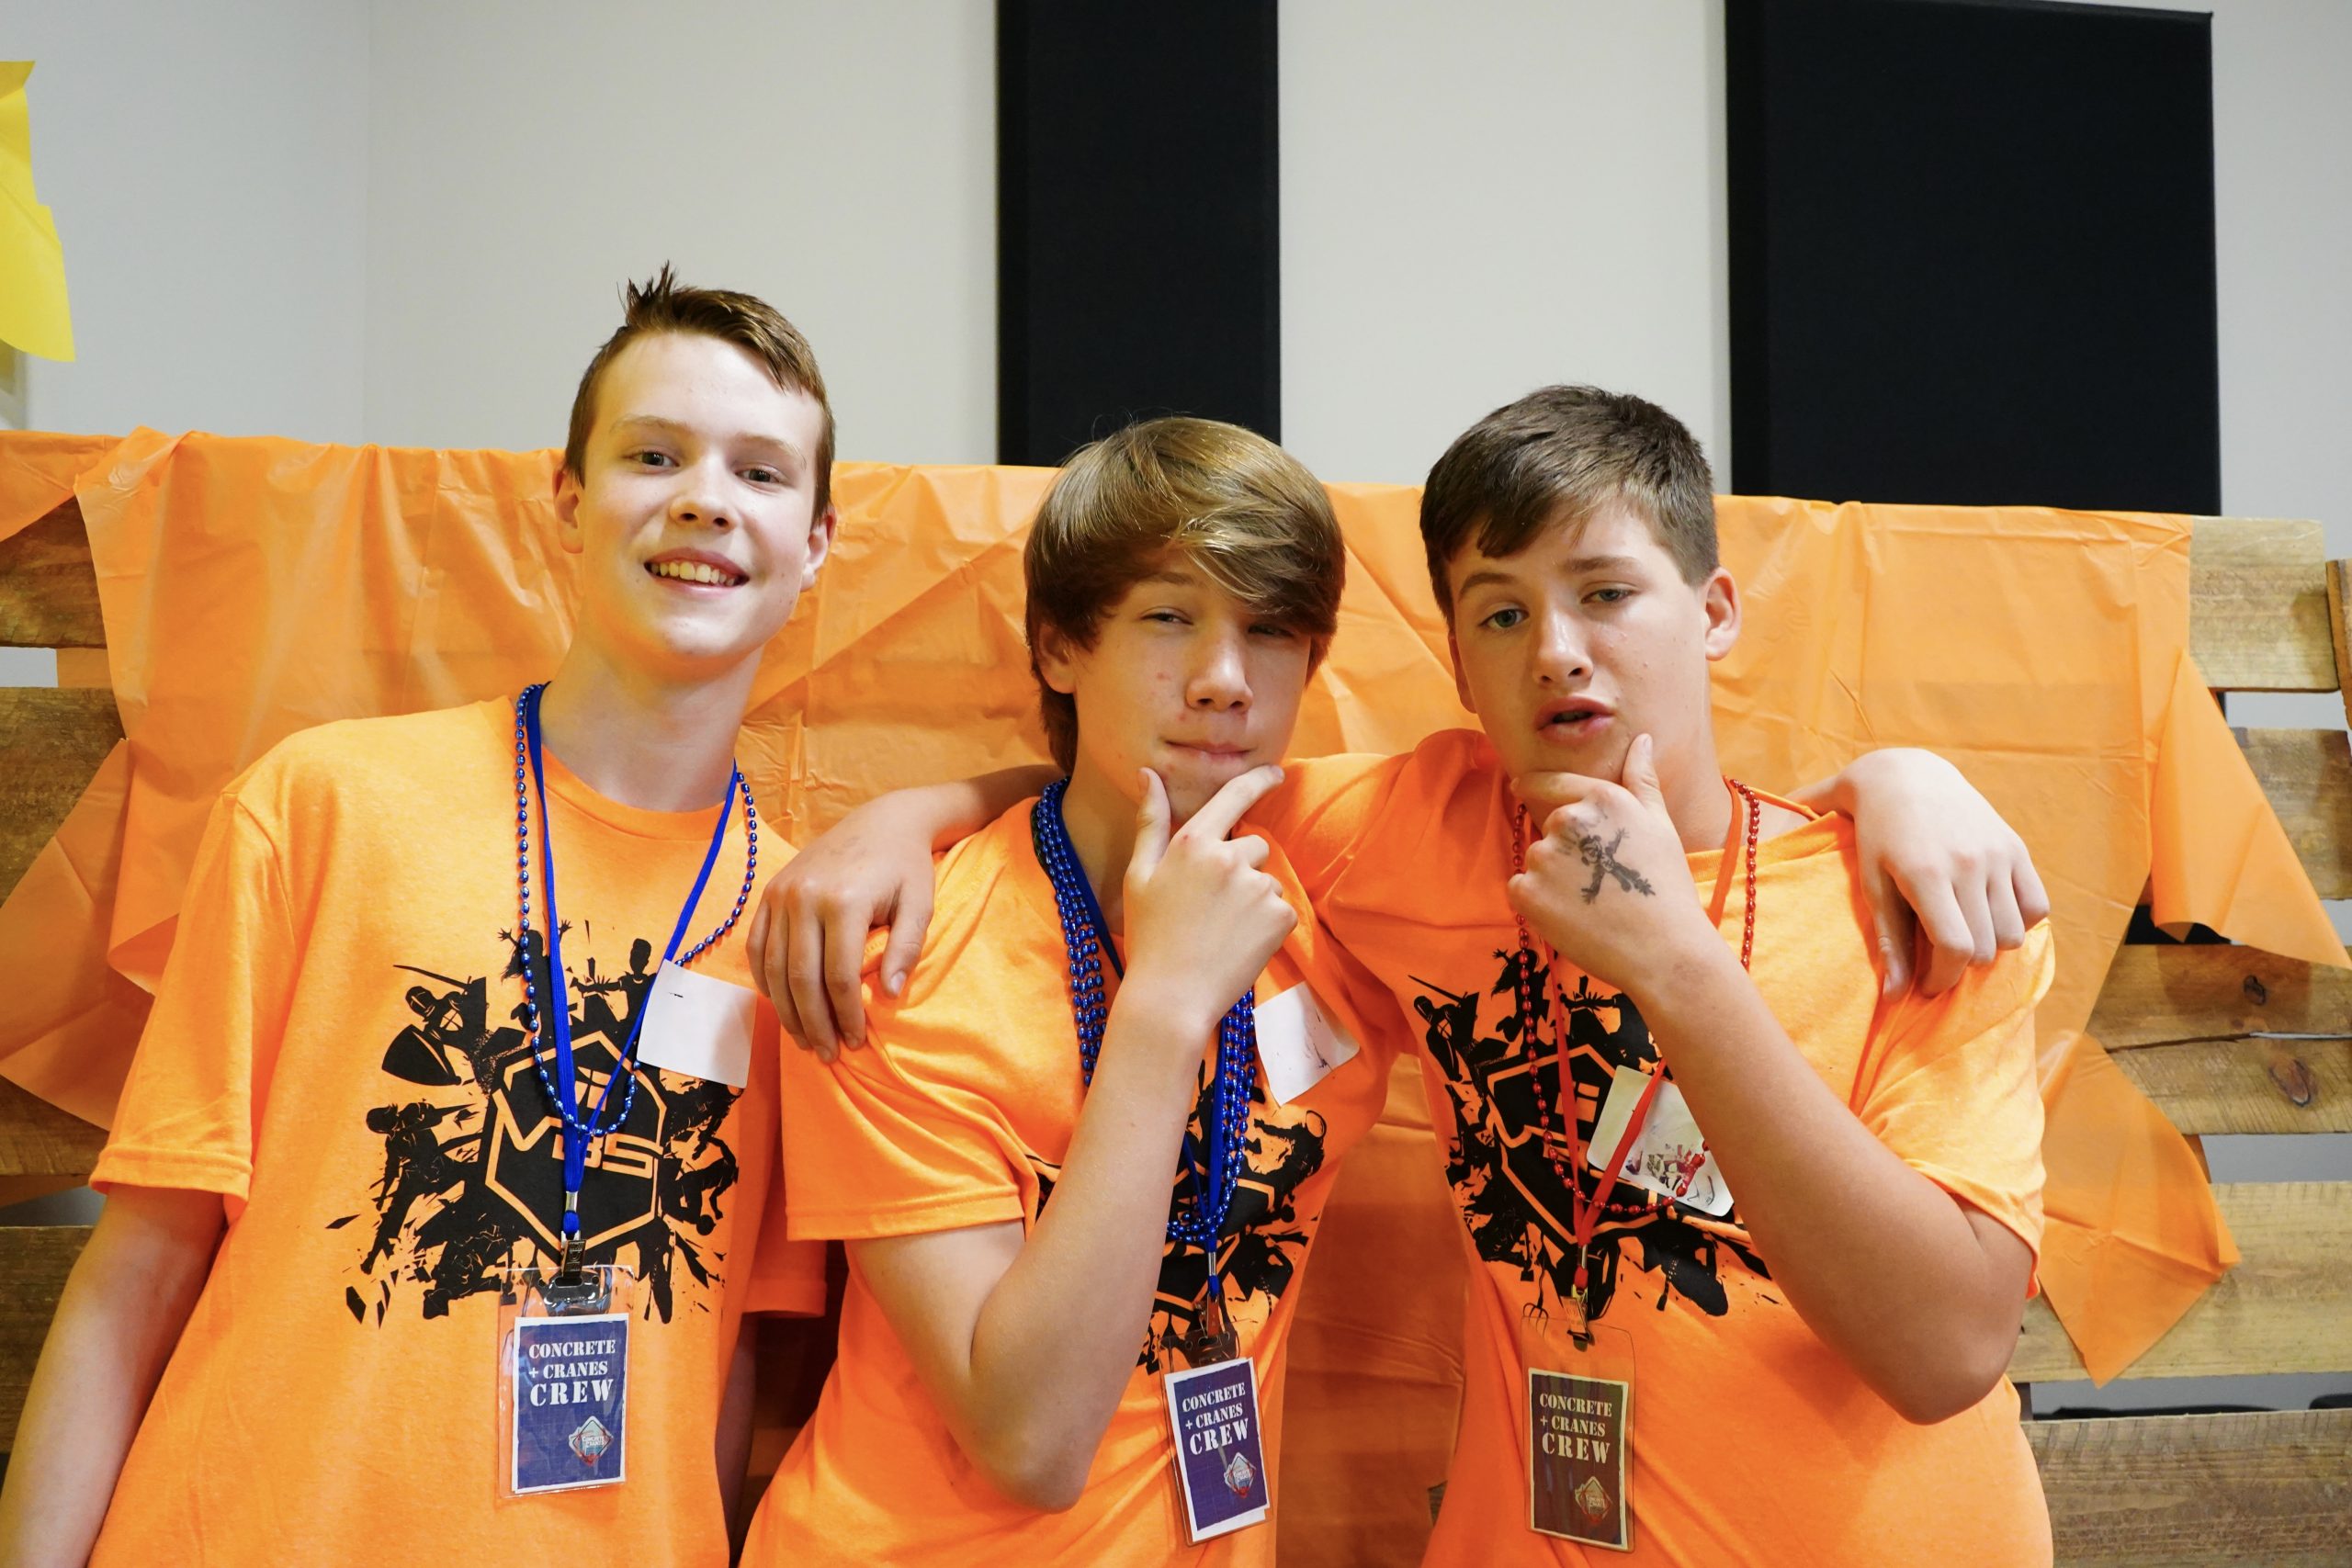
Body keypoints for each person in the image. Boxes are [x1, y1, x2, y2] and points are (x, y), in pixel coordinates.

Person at [752, 391, 2052, 1565]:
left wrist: (1889, 784)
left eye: (1606, 592)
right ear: (1457, 659)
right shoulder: (1396, 837)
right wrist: (906, 819)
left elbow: (1945, 1352)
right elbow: (1137, 786)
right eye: (1502, 612)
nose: (1558, 650)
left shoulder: (1922, 906)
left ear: (1714, 612)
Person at [0, 267, 837, 1567]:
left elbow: (717, 1360)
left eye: (761, 471)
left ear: (818, 542)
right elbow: (138, 1272)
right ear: (569, 501)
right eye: (652, 454)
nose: (703, 498)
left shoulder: (799, 934)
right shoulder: (325, 803)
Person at [741, 417, 1406, 1565]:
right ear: (1058, 647)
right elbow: (1029, 1442)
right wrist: (1164, 1010)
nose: (1223, 681)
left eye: (1269, 629)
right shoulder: (901, 960)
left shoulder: (1334, 878)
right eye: (1168, 618)